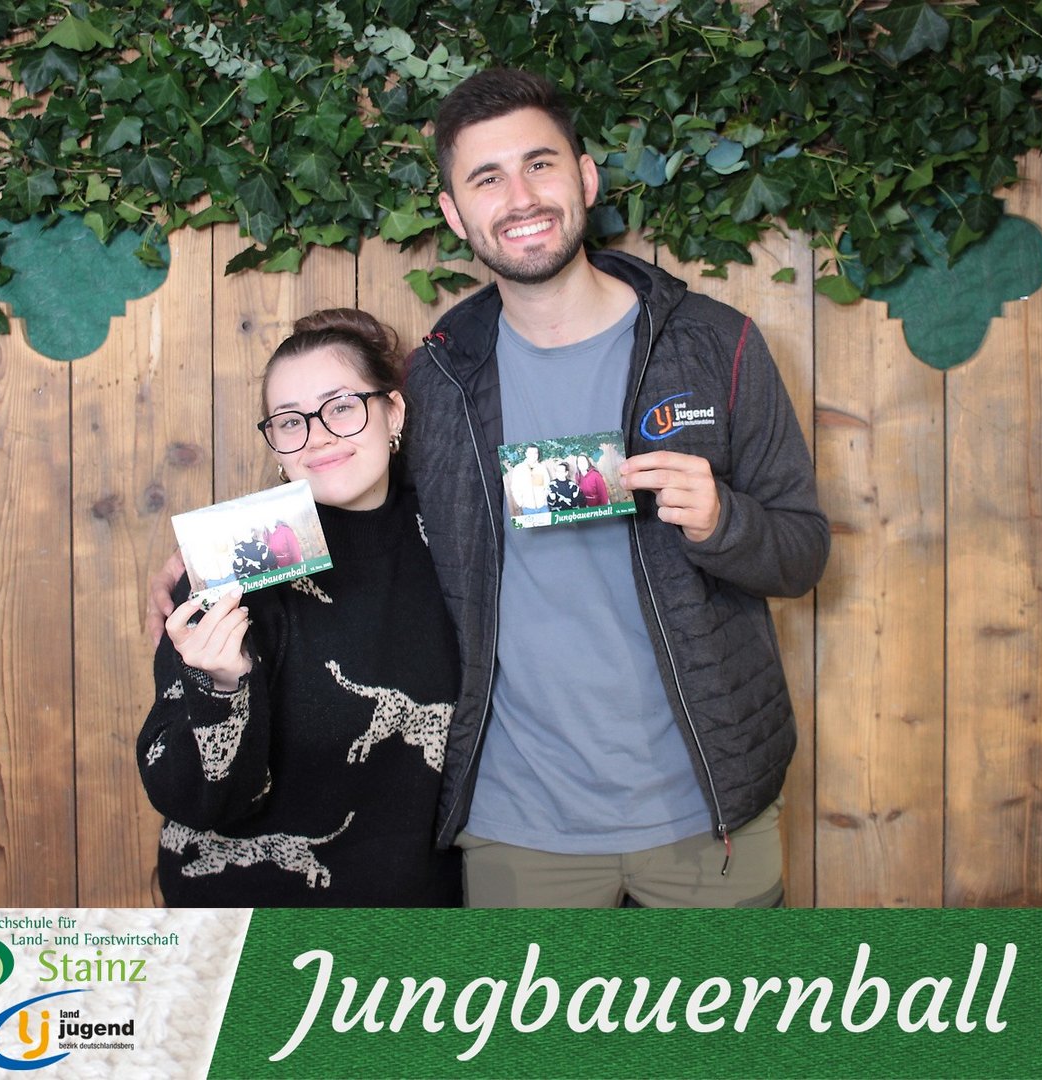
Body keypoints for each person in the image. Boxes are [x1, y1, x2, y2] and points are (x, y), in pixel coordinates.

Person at [405, 68, 830, 907]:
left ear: (586, 178)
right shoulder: (439, 376)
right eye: (487, 178)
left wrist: (723, 521)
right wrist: (207, 573)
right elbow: (369, 526)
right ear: (454, 214)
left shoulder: (715, 343)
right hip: (518, 822)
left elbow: (804, 551)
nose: (520, 197)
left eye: (540, 164)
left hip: (710, 810)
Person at [138, 309, 461, 907]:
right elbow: (187, 796)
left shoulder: (458, 539)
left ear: (393, 413)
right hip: (249, 910)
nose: (318, 436)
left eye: (342, 406)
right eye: (291, 421)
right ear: (276, 446)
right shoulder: (234, 562)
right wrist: (218, 687)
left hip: (417, 909)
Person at [505, 444, 550, 517]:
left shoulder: (542, 468)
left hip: (543, 507)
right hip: (528, 509)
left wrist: (544, 499)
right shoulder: (518, 468)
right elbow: (515, 488)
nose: (533, 455)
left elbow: (547, 485)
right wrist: (520, 503)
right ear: (526, 454)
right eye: (530, 453)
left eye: (535, 453)